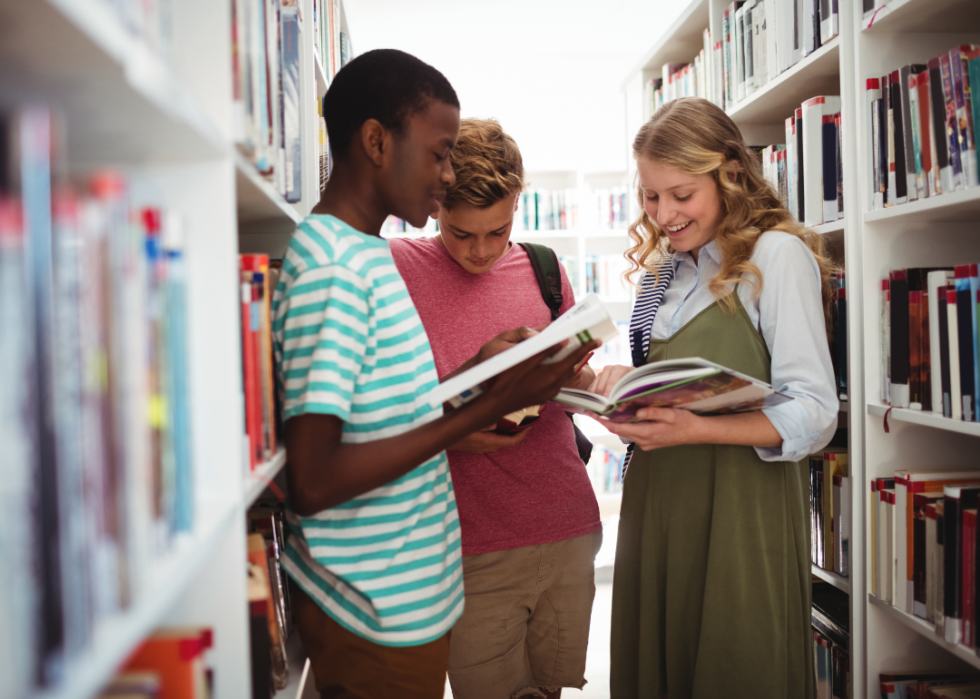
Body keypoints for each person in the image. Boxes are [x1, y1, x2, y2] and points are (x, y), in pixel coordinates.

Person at [271, 50, 597, 699]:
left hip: (420, 594)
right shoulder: (346, 267)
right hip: (377, 608)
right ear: (375, 142)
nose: (446, 175)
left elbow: (390, 407)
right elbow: (314, 476)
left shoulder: (361, 258)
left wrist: (488, 373)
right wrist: (485, 403)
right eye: (440, 154)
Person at [588, 97, 838, 699]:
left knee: (734, 660)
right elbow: (672, 382)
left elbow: (815, 412)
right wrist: (625, 383)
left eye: (681, 194)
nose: (663, 213)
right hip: (660, 503)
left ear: (729, 173)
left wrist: (695, 430)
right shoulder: (664, 271)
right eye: (650, 196)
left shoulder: (776, 256)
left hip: (737, 512)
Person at [389, 118, 602, 699]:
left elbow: (570, 377)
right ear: (435, 206)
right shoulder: (394, 268)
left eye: (498, 230)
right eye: (461, 234)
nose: (480, 251)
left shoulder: (543, 267)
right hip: (467, 546)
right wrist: (451, 426)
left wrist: (587, 377)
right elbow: (377, 408)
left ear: (518, 204)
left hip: (566, 528)